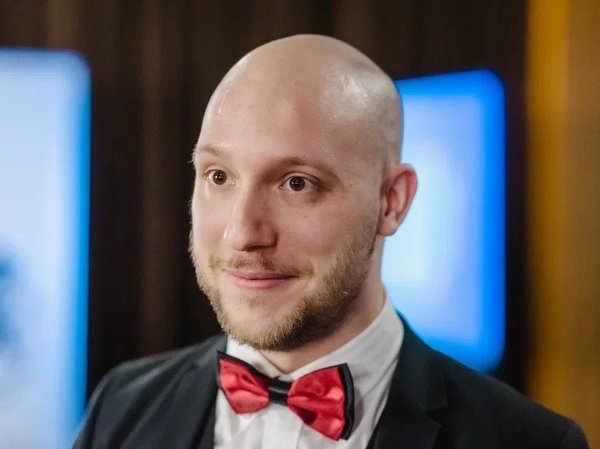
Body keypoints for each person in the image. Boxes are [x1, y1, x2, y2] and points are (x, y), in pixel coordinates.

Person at [74, 34, 588, 449]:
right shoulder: (122, 406)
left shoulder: (530, 442)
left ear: (392, 201)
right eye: (218, 176)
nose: (242, 233)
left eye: (297, 183)